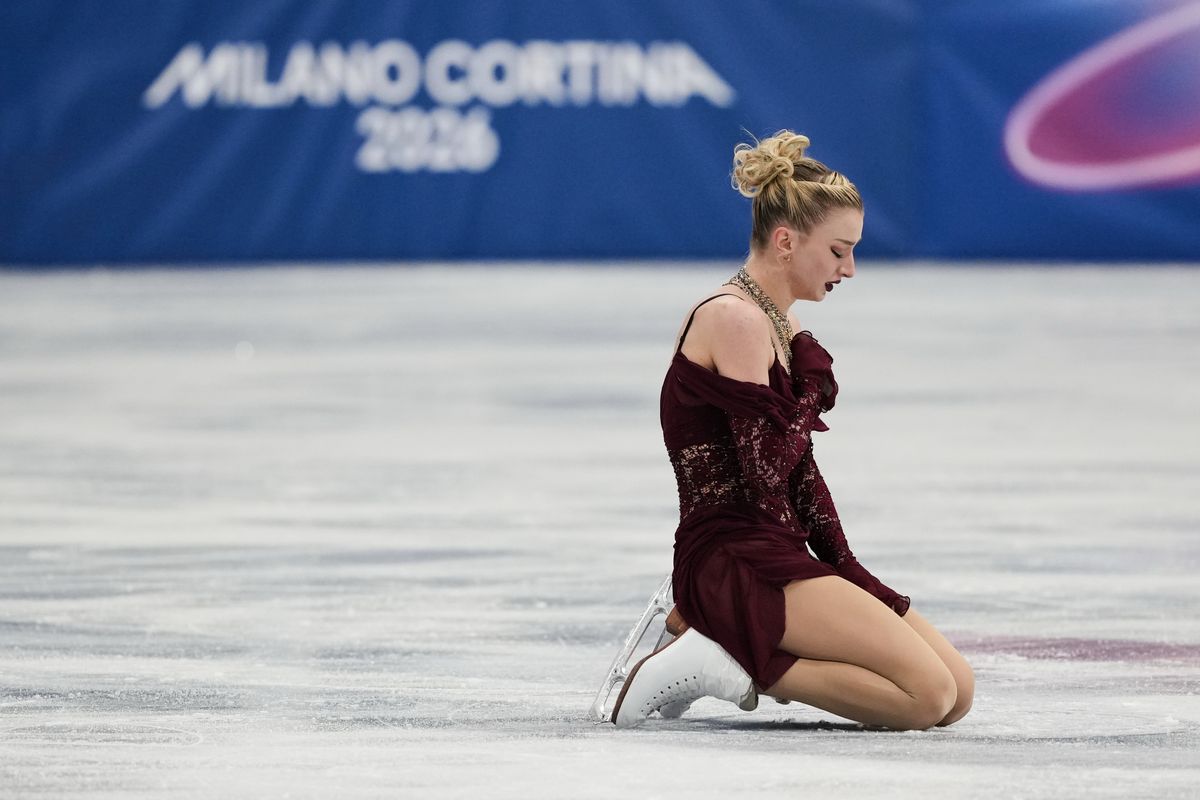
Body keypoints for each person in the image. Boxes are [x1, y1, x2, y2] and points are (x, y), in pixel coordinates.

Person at [611, 131, 974, 731]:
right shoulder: (734, 319)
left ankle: (732, 649)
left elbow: (800, 469)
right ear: (786, 241)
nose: (849, 269)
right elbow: (763, 473)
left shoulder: (777, 322)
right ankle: (721, 661)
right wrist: (808, 386)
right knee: (926, 697)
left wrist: (845, 564)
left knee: (957, 692)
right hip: (732, 559)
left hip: (773, 549)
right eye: (838, 251)